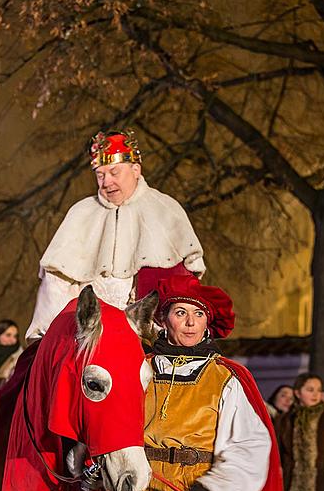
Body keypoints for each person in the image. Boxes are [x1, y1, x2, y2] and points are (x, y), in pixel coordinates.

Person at [110, 275, 289, 491]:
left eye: (198, 314)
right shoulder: (139, 369)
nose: (190, 323)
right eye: (180, 313)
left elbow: (249, 445)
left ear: (208, 322)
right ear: (163, 321)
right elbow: (111, 424)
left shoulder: (226, 377)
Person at [26, 129, 205, 341]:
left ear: (136, 170)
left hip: (147, 339)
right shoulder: (80, 214)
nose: (106, 182)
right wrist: (50, 340)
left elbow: (183, 290)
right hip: (87, 340)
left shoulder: (166, 210)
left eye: (114, 172)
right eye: (100, 175)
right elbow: (56, 288)